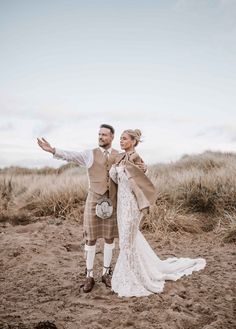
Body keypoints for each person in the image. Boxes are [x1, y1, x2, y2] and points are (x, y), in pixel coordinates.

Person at [109, 129, 206, 297]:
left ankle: (133, 277)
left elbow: (142, 178)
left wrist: (144, 170)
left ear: (133, 141)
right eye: (120, 139)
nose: (121, 141)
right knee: (126, 239)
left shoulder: (136, 158)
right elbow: (116, 178)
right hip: (122, 205)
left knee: (127, 242)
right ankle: (132, 271)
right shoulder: (120, 158)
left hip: (132, 205)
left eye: (124, 139)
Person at [37, 124, 119, 293]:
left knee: (110, 238)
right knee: (90, 238)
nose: (101, 137)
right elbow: (71, 156)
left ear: (112, 137)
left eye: (104, 135)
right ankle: (89, 276)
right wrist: (53, 150)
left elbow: (131, 170)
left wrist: (143, 168)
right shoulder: (90, 154)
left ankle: (106, 273)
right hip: (94, 200)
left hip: (111, 201)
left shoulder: (119, 155)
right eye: (99, 134)